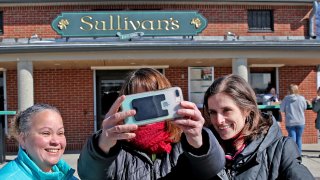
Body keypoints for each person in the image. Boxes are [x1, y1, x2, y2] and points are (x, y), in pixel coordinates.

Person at [77, 68, 225, 180]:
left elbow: (213, 171)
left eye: (153, 101)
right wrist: (102, 144)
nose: (147, 111)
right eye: (139, 102)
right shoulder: (114, 146)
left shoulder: (185, 142)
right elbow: (88, 175)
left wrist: (199, 142)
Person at [202, 74, 313, 179]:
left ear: (247, 110)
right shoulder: (202, 148)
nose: (219, 120)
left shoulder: (280, 150)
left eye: (227, 110)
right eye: (212, 112)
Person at [0, 103, 78, 179]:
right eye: (46, 133)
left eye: (60, 133)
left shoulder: (66, 176)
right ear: (23, 139)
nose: (56, 141)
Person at [280, 84, 308, 154]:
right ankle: (299, 154)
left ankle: (293, 155)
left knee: (292, 139)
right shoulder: (302, 98)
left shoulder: (286, 99)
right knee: (299, 138)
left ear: (289, 90)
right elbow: (305, 107)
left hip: (290, 121)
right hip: (300, 121)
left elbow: (282, 109)